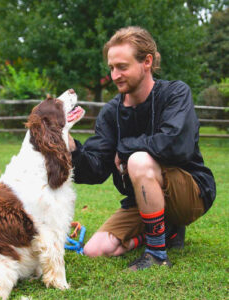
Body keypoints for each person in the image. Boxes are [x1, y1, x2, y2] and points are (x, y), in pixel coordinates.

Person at [68, 26, 216, 271]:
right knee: (95, 250)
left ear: (147, 62)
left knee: (138, 160)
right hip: (142, 200)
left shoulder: (175, 93)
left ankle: (157, 255)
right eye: (112, 68)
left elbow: (175, 144)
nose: (115, 75)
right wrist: (71, 147)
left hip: (191, 193)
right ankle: (166, 232)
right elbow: (95, 169)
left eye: (122, 67)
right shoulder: (110, 113)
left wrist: (125, 148)